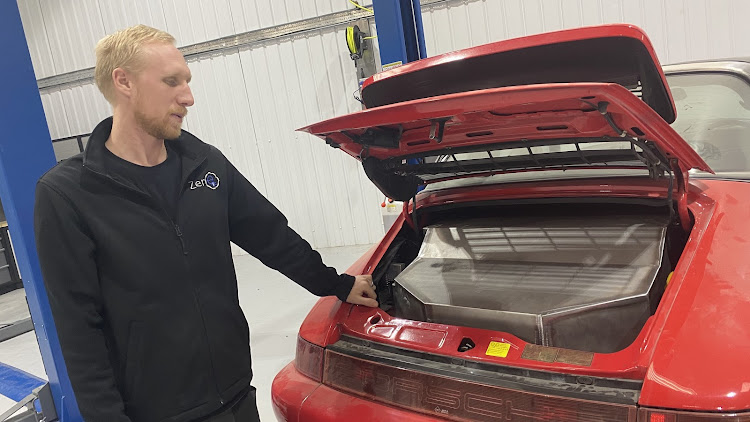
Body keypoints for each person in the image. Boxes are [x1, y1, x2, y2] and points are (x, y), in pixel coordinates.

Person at [33, 24, 378, 422]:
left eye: (188, 81)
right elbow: (78, 329)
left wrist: (337, 284)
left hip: (235, 394)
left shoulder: (204, 164)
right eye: (171, 82)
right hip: (158, 412)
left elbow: (271, 236)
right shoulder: (68, 194)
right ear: (123, 81)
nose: (188, 97)